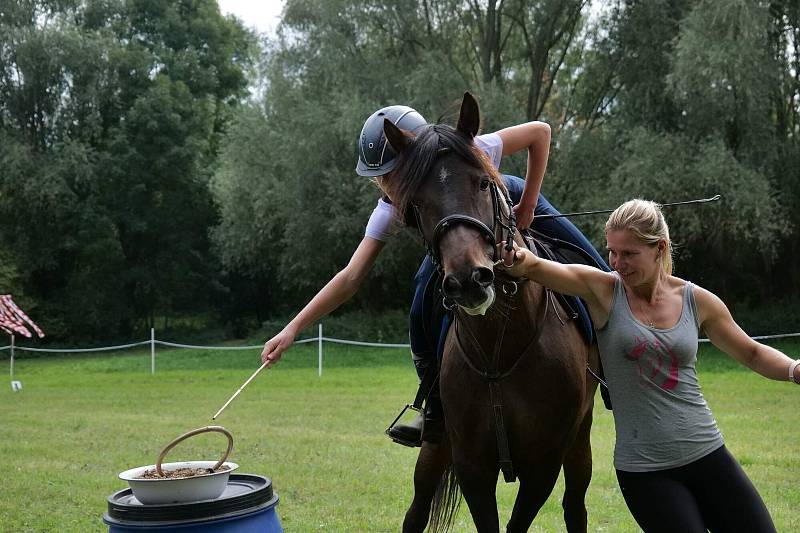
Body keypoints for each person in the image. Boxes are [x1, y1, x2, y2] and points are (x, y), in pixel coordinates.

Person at [260, 102, 608, 445]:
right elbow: (351, 276)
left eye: (392, 174)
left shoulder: (474, 148)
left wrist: (529, 204)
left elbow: (540, 132)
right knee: (419, 302)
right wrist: (293, 329)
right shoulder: (390, 208)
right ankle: (433, 402)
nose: (387, 185)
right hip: (453, 235)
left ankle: (613, 365)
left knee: (594, 265)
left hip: (510, 195)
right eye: (379, 179)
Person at [500, 198, 798, 533]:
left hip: (708, 453)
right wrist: (519, 258)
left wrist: (794, 369)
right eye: (612, 251)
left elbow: (753, 353)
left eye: (629, 254)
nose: (617, 262)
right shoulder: (604, 291)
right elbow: (539, 268)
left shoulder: (696, 300)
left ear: (660, 248)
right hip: (646, 471)